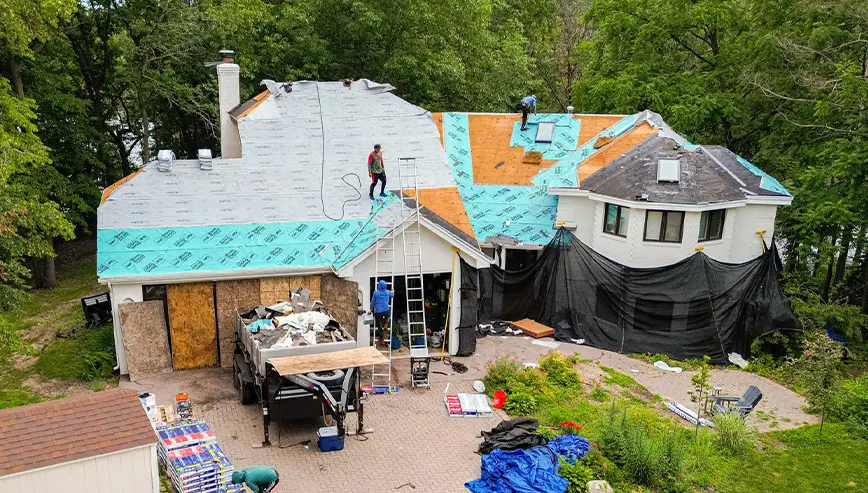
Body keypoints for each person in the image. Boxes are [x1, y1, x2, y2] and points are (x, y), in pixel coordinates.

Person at [369, 279, 394, 344]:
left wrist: (371, 309)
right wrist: (392, 291)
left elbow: (373, 302)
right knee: (388, 316)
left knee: (379, 326)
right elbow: (392, 295)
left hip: (378, 312)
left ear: (379, 286)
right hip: (386, 310)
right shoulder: (387, 292)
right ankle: (386, 323)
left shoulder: (376, 292)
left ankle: (381, 338)